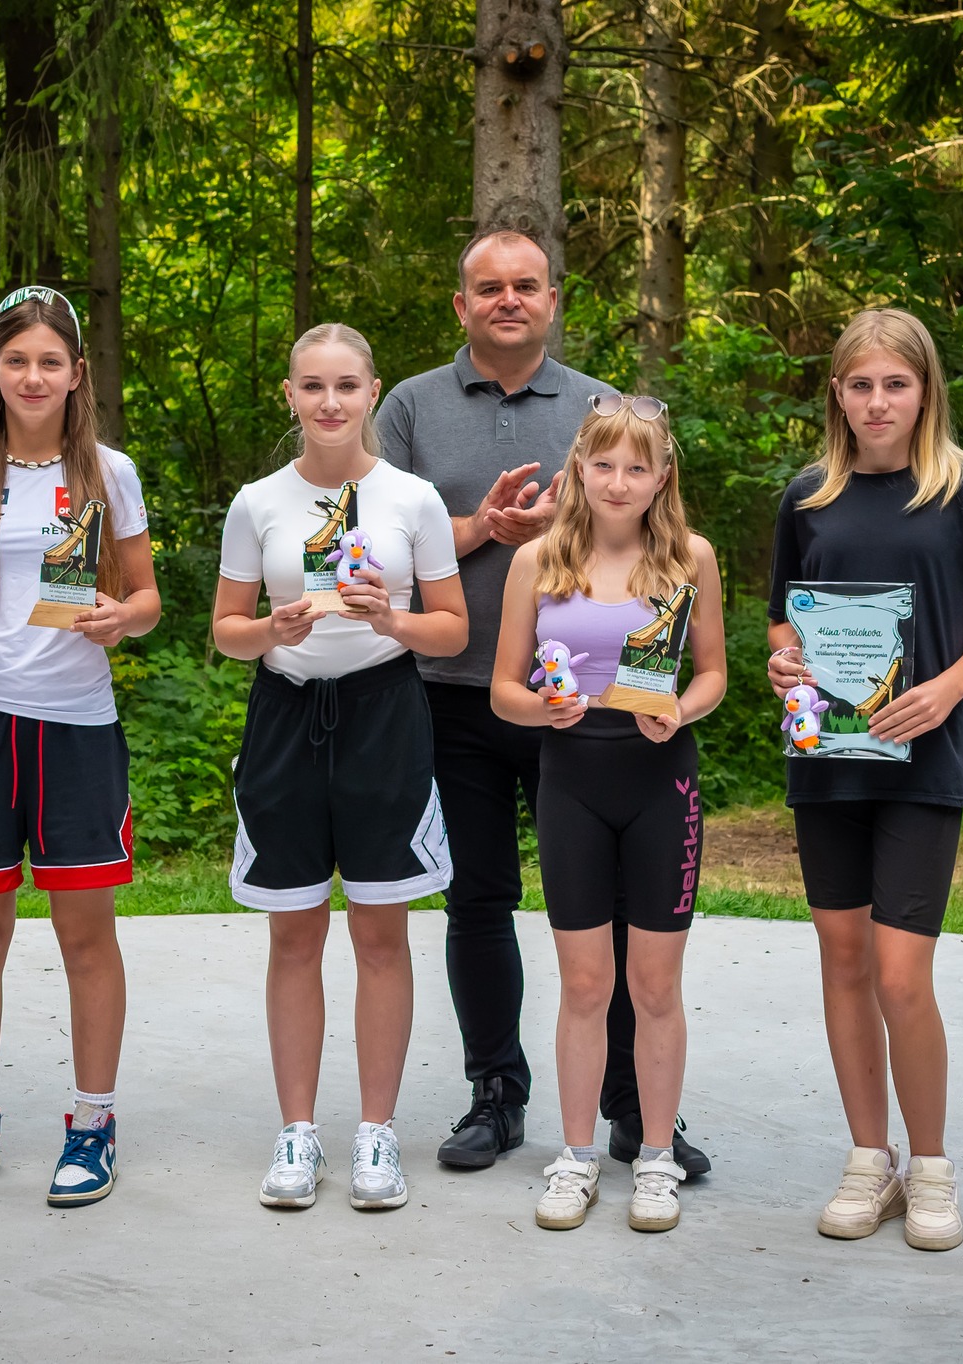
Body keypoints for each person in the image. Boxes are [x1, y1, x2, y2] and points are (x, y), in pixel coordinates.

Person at [379, 230, 711, 1175]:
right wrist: (479, 528)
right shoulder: (409, 407)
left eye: (526, 285)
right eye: (488, 287)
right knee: (478, 897)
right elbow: (376, 542)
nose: (508, 300)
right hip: (456, 693)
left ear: (553, 300)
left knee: (619, 912)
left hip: (602, 716)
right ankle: (496, 1092)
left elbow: (633, 533)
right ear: (461, 304)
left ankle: (631, 1105)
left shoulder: (602, 410)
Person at [765, 309, 963, 1252]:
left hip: (924, 759)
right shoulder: (806, 498)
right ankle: (868, 1161)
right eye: (862, 385)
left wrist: (944, 691)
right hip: (828, 757)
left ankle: (933, 1168)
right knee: (843, 959)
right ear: (837, 393)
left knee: (902, 974)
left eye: (896, 385)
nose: (878, 402)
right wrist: (784, 664)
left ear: (925, 392)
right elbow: (785, 622)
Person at [214, 322, 468, 1213]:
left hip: (382, 716)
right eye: (313, 386)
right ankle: (297, 1132)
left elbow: (453, 630)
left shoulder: (413, 499)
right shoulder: (257, 501)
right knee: (293, 935)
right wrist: (270, 629)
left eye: (346, 386)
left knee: (380, 934)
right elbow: (226, 631)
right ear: (290, 395)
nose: (330, 403)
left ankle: (375, 1133)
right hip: (286, 718)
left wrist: (390, 618)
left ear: (373, 393)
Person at [0, 285, 160, 1207]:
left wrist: (118, 618)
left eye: (49, 361)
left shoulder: (109, 472)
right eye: (16, 360)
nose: (32, 376)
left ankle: (92, 1126)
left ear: (76, 373)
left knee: (84, 934)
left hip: (77, 728)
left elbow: (145, 599)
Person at [491, 394, 726, 1233]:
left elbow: (712, 674)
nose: (619, 482)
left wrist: (682, 712)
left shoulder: (690, 557)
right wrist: (543, 709)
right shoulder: (538, 561)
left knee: (655, 986)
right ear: (579, 470)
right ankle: (576, 1157)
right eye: (603, 465)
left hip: (662, 783)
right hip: (571, 783)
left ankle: (656, 1158)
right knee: (586, 984)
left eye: (637, 467)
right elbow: (504, 690)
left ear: (662, 477)